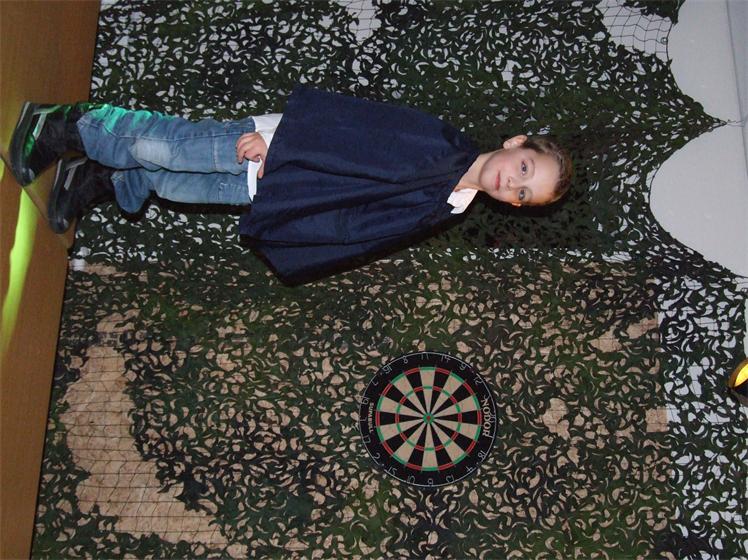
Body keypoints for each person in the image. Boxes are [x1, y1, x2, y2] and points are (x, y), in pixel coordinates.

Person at [8, 87, 572, 283]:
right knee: (162, 145)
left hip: (270, 190)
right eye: (524, 169)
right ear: (516, 143)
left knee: (171, 185)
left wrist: (293, 231)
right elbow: (354, 132)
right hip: (272, 148)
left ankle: (95, 179)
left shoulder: (448, 204)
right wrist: (281, 144)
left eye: (523, 194)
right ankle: (63, 125)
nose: (512, 184)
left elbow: (357, 223)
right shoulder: (438, 143)